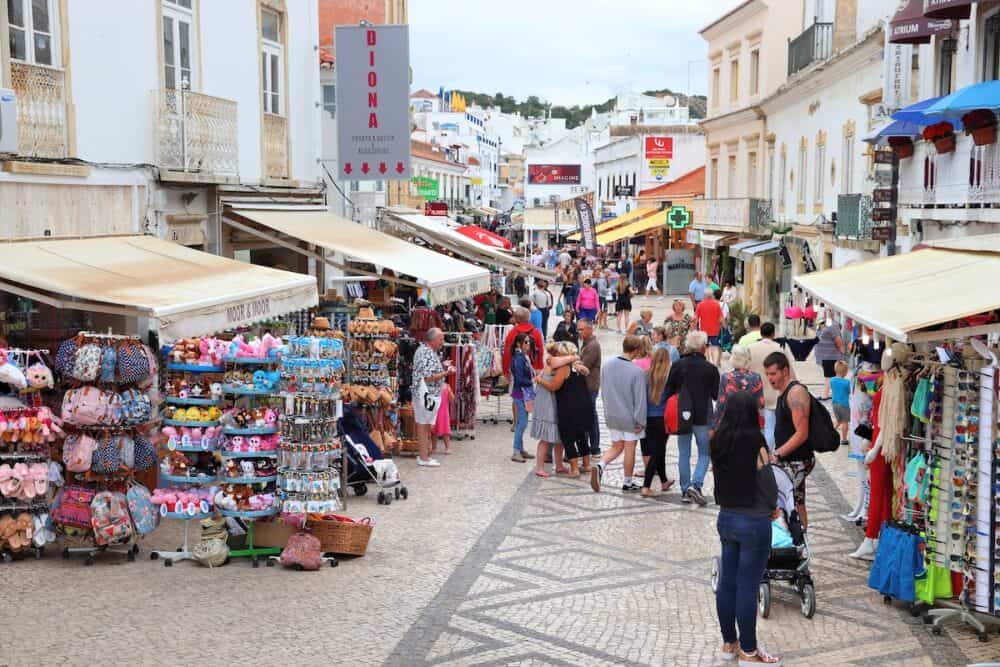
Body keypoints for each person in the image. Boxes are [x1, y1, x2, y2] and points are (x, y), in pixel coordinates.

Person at [711, 391, 782, 666]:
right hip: (754, 521)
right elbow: (767, 483)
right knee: (747, 586)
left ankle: (729, 642)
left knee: (727, 583)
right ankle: (750, 650)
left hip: (727, 518)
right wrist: (772, 505)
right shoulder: (756, 443)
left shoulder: (718, 440)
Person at [664, 330, 720, 506]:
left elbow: (669, 390)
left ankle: (685, 490)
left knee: (684, 453)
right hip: (704, 415)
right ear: (703, 347)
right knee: (705, 452)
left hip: (683, 415)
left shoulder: (678, 365)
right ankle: (696, 484)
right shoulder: (710, 369)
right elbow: (716, 395)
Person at [764, 351, 816, 529]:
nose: (770, 379)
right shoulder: (784, 392)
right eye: (767, 374)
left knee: (780, 498)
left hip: (798, 459)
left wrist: (777, 454)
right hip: (791, 458)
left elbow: (802, 433)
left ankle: (793, 539)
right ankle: (800, 540)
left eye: (773, 373)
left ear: (785, 371)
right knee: (797, 501)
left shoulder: (795, 393)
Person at [590, 336, 647, 493]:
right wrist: (640, 422)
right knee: (629, 449)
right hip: (630, 418)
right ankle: (627, 481)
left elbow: (604, 391)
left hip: (612, 414)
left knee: (616, 446)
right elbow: (640, 400)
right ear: (636, 350)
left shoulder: (607, 366)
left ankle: (601, 465)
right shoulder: (637, 372)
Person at [530, 343, 583, 478]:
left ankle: (559, 465)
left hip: (553, 402)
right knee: (546, 438)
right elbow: (553, 386)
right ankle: (540, 467)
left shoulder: (558, 363)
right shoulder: (553, 362)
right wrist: (540, 381)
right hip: (547, 402)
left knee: (558, 436)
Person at [748, 322, 796, 450]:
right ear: (773, 334)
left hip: (755, 393)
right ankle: (769, 454)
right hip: (774, 393)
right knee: (771, 426)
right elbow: (789, 371)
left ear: (761, 333)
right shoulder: (779, 348)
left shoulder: (751, 348)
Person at [412, 328, 454, 467]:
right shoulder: (426, 352)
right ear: (433, 340)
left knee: (424, 425)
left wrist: (442, 368)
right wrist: (446, 373)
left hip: (424, 395)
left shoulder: (425, 351)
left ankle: (424, 456)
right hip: (426, 395)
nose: (442, 342)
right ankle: (424, 457)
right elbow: (428, 377)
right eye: (441, 339)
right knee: (424, 425)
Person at [641, 347, 674, 498]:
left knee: (658, 450)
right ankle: (646, 486)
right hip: (662, 418)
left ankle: (664, 481)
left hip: (647, 417)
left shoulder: (645, 375)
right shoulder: (669, 377)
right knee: (658, 451)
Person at [713, 345, 765, 430]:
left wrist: (715, 425)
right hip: (750, 421)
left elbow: (721, 403)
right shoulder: (756, 377)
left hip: (730, 422)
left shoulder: (726, 377)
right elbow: (761, 403)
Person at [509, 333, 537, 463]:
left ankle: (520, 449)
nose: (528, 344)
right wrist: (532, 381)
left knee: (523, 422)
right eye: (525, 342)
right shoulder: (519, 358)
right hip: (521, 393)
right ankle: (516, 451)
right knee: (522, 423)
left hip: (524, 393)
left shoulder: (524, 357)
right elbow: (519, 379)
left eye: (529, 342)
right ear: (518, 344)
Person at [578, 319, 602, 467]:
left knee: (591, 418)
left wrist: (573, 360)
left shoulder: (593, 346)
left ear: (589, 329)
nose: (579, 332)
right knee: (589, 417)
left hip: (590, 386)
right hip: (587, 386)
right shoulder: (587, 343)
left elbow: (583, 365)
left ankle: (594, 447)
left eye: (581, 330)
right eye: (578, 330)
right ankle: (591, 447)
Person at [501, 306, 544, 376]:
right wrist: (540, 366)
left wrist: (506, 370)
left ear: (517, 319)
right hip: (533, 367)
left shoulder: (513, 333)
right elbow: (540, 351)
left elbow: (507, 352)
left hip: (516, 368)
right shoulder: (536, 332)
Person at [814, 318, 845, 400]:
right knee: (830, 376)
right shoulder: (827, 325)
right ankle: (831, 394)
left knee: (830, 376)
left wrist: (842, 352)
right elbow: (838, 341)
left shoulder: (832, 326)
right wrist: (842, 352)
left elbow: (838, 341)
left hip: (830, 356)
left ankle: (826, 395)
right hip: (828, 356)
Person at [695, 288, 725, 366]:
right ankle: (716, 363)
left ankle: (707, 362)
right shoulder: (716, 305)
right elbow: (721, 319)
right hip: (715, 330)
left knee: (706, 347)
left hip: (704, 331)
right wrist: (724, 326)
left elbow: (696, 319)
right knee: (715, 347)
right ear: (711, 295)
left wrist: (694, 329)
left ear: (704, 295)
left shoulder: (700, 305)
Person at [830, 360, 851, 447]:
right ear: (845, 372)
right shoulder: (846, 382)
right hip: (844, 404)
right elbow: (850, 392)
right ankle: (844, 439)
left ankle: (831, 433)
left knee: (838, 421)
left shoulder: (832, 380)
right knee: (845, 422)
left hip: (835, 404)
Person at [433, 383, 454, 455]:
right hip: (434, 411)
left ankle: (447, 447)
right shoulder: (431, 385)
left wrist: (450, 391)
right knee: (433, 431)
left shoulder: (446, 386)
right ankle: (434, 447)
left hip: (444, 412)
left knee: (445, 431)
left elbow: (452, 399)